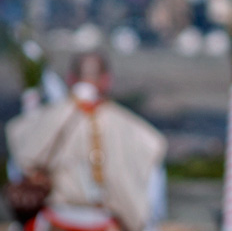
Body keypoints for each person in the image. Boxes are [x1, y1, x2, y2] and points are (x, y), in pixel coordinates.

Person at [5, 51, 168, 231]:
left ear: (70, 78)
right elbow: (154, 201)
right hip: (108, 224)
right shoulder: (138, 132)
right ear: (107, 79)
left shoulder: (39, 121)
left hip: (53, 222)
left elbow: (16, 169)